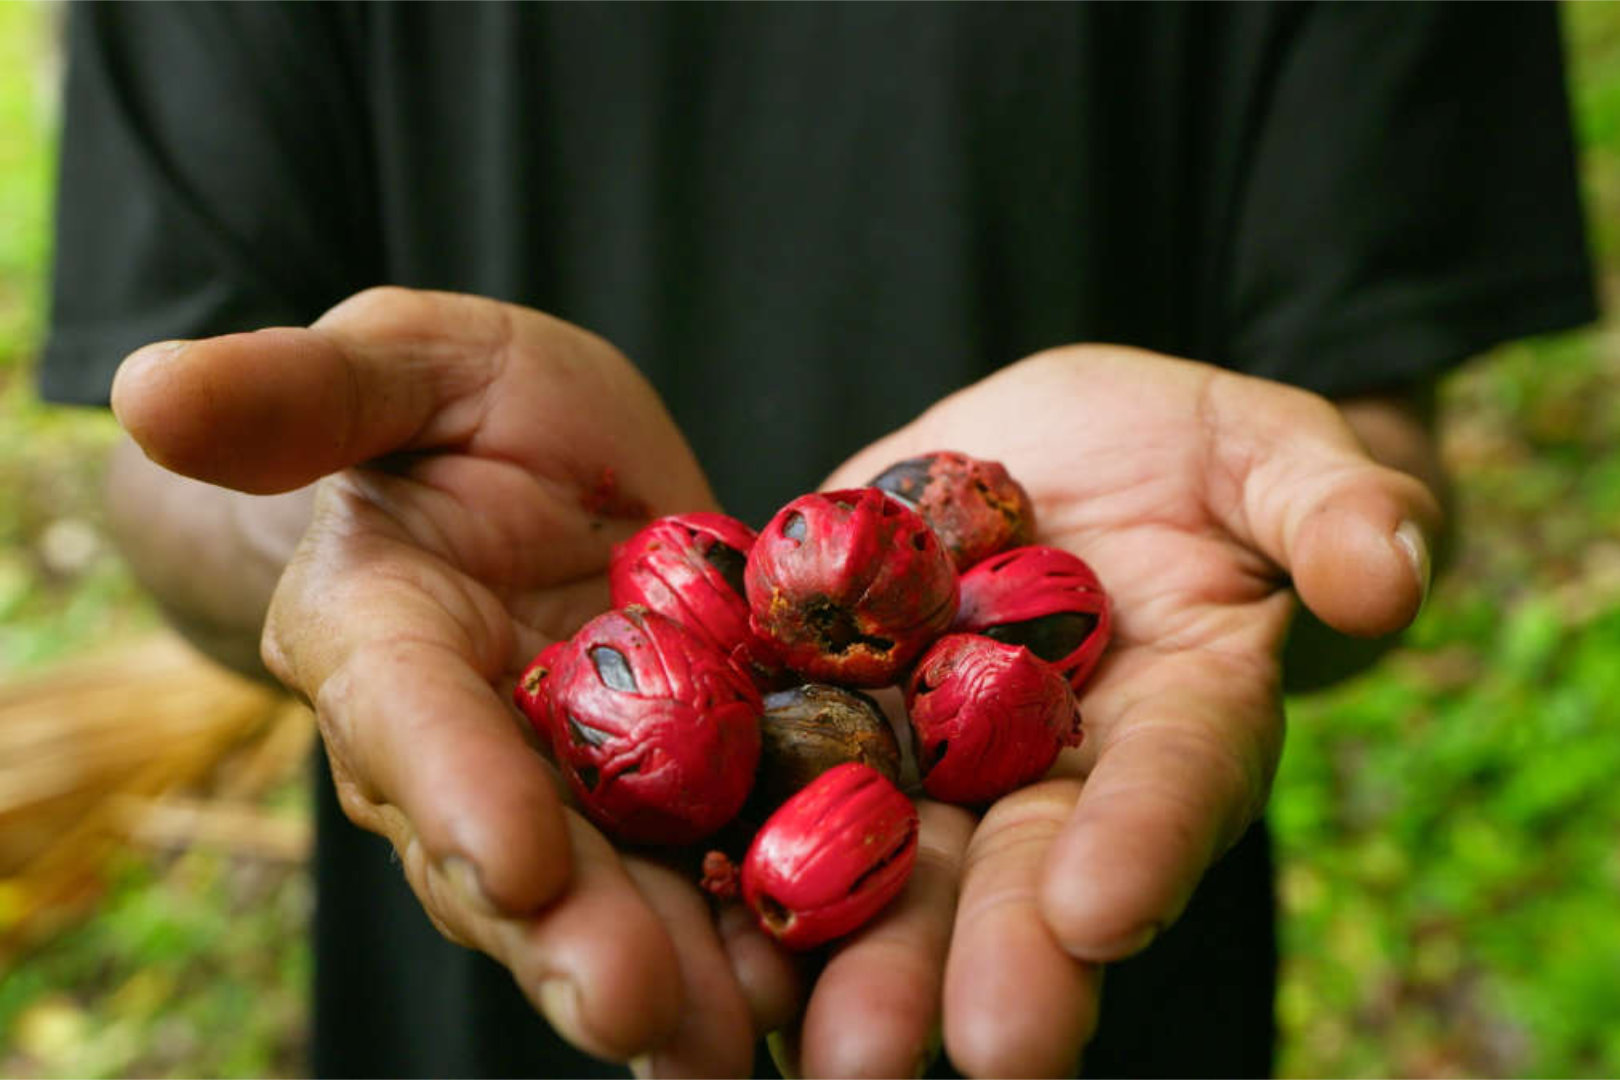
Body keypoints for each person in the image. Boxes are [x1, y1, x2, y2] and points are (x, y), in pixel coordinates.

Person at [41, 4, 1595, 1077]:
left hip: (1095, 937)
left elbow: (1366, 436)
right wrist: (358, 533)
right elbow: (174, 465)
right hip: (484, 980)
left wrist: (1297, 527)